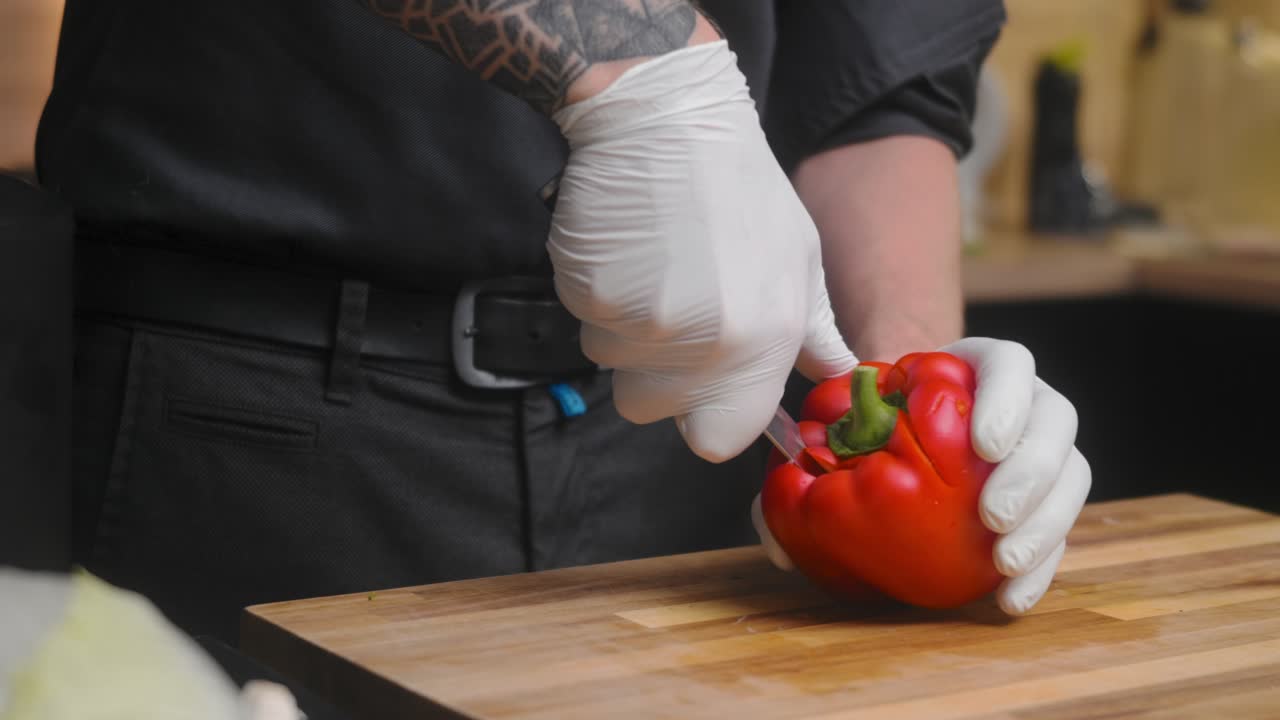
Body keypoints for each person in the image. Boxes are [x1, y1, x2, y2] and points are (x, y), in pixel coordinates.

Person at [35, 0, 1090, 648]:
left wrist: (907, 373)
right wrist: (646, 78)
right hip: (248, 407)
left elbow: (877, 63)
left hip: (682, 439)